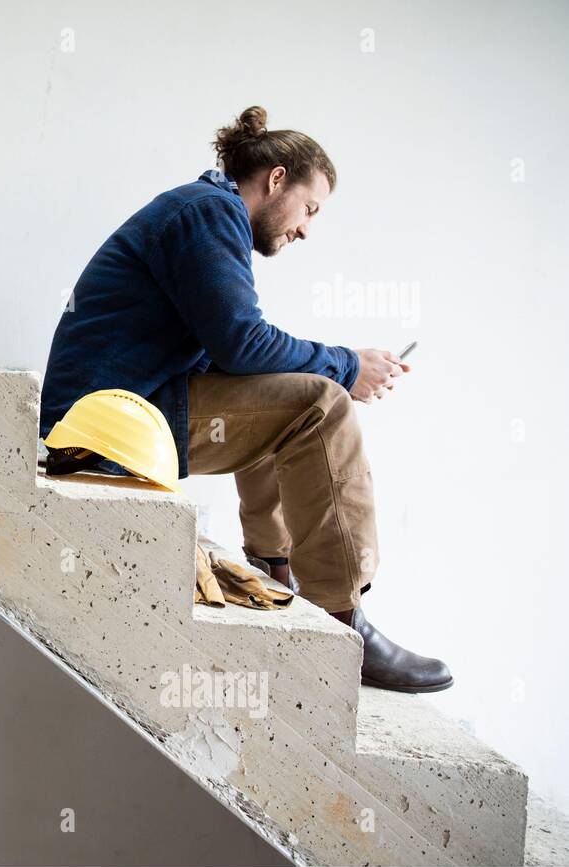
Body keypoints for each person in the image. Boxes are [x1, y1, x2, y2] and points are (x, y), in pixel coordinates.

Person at [39, 106, 451, 693]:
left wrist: (335, 365)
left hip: (118, 415)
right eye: (310, 208)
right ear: (276, 179)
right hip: (107, 424)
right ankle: (342, 620)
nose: (307, 229)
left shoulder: (203, 211)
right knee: (320, 403)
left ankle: (272, 568)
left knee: (281, 399)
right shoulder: (207, 213)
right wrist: (349, 364)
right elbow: (243, 341)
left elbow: (231, 357)